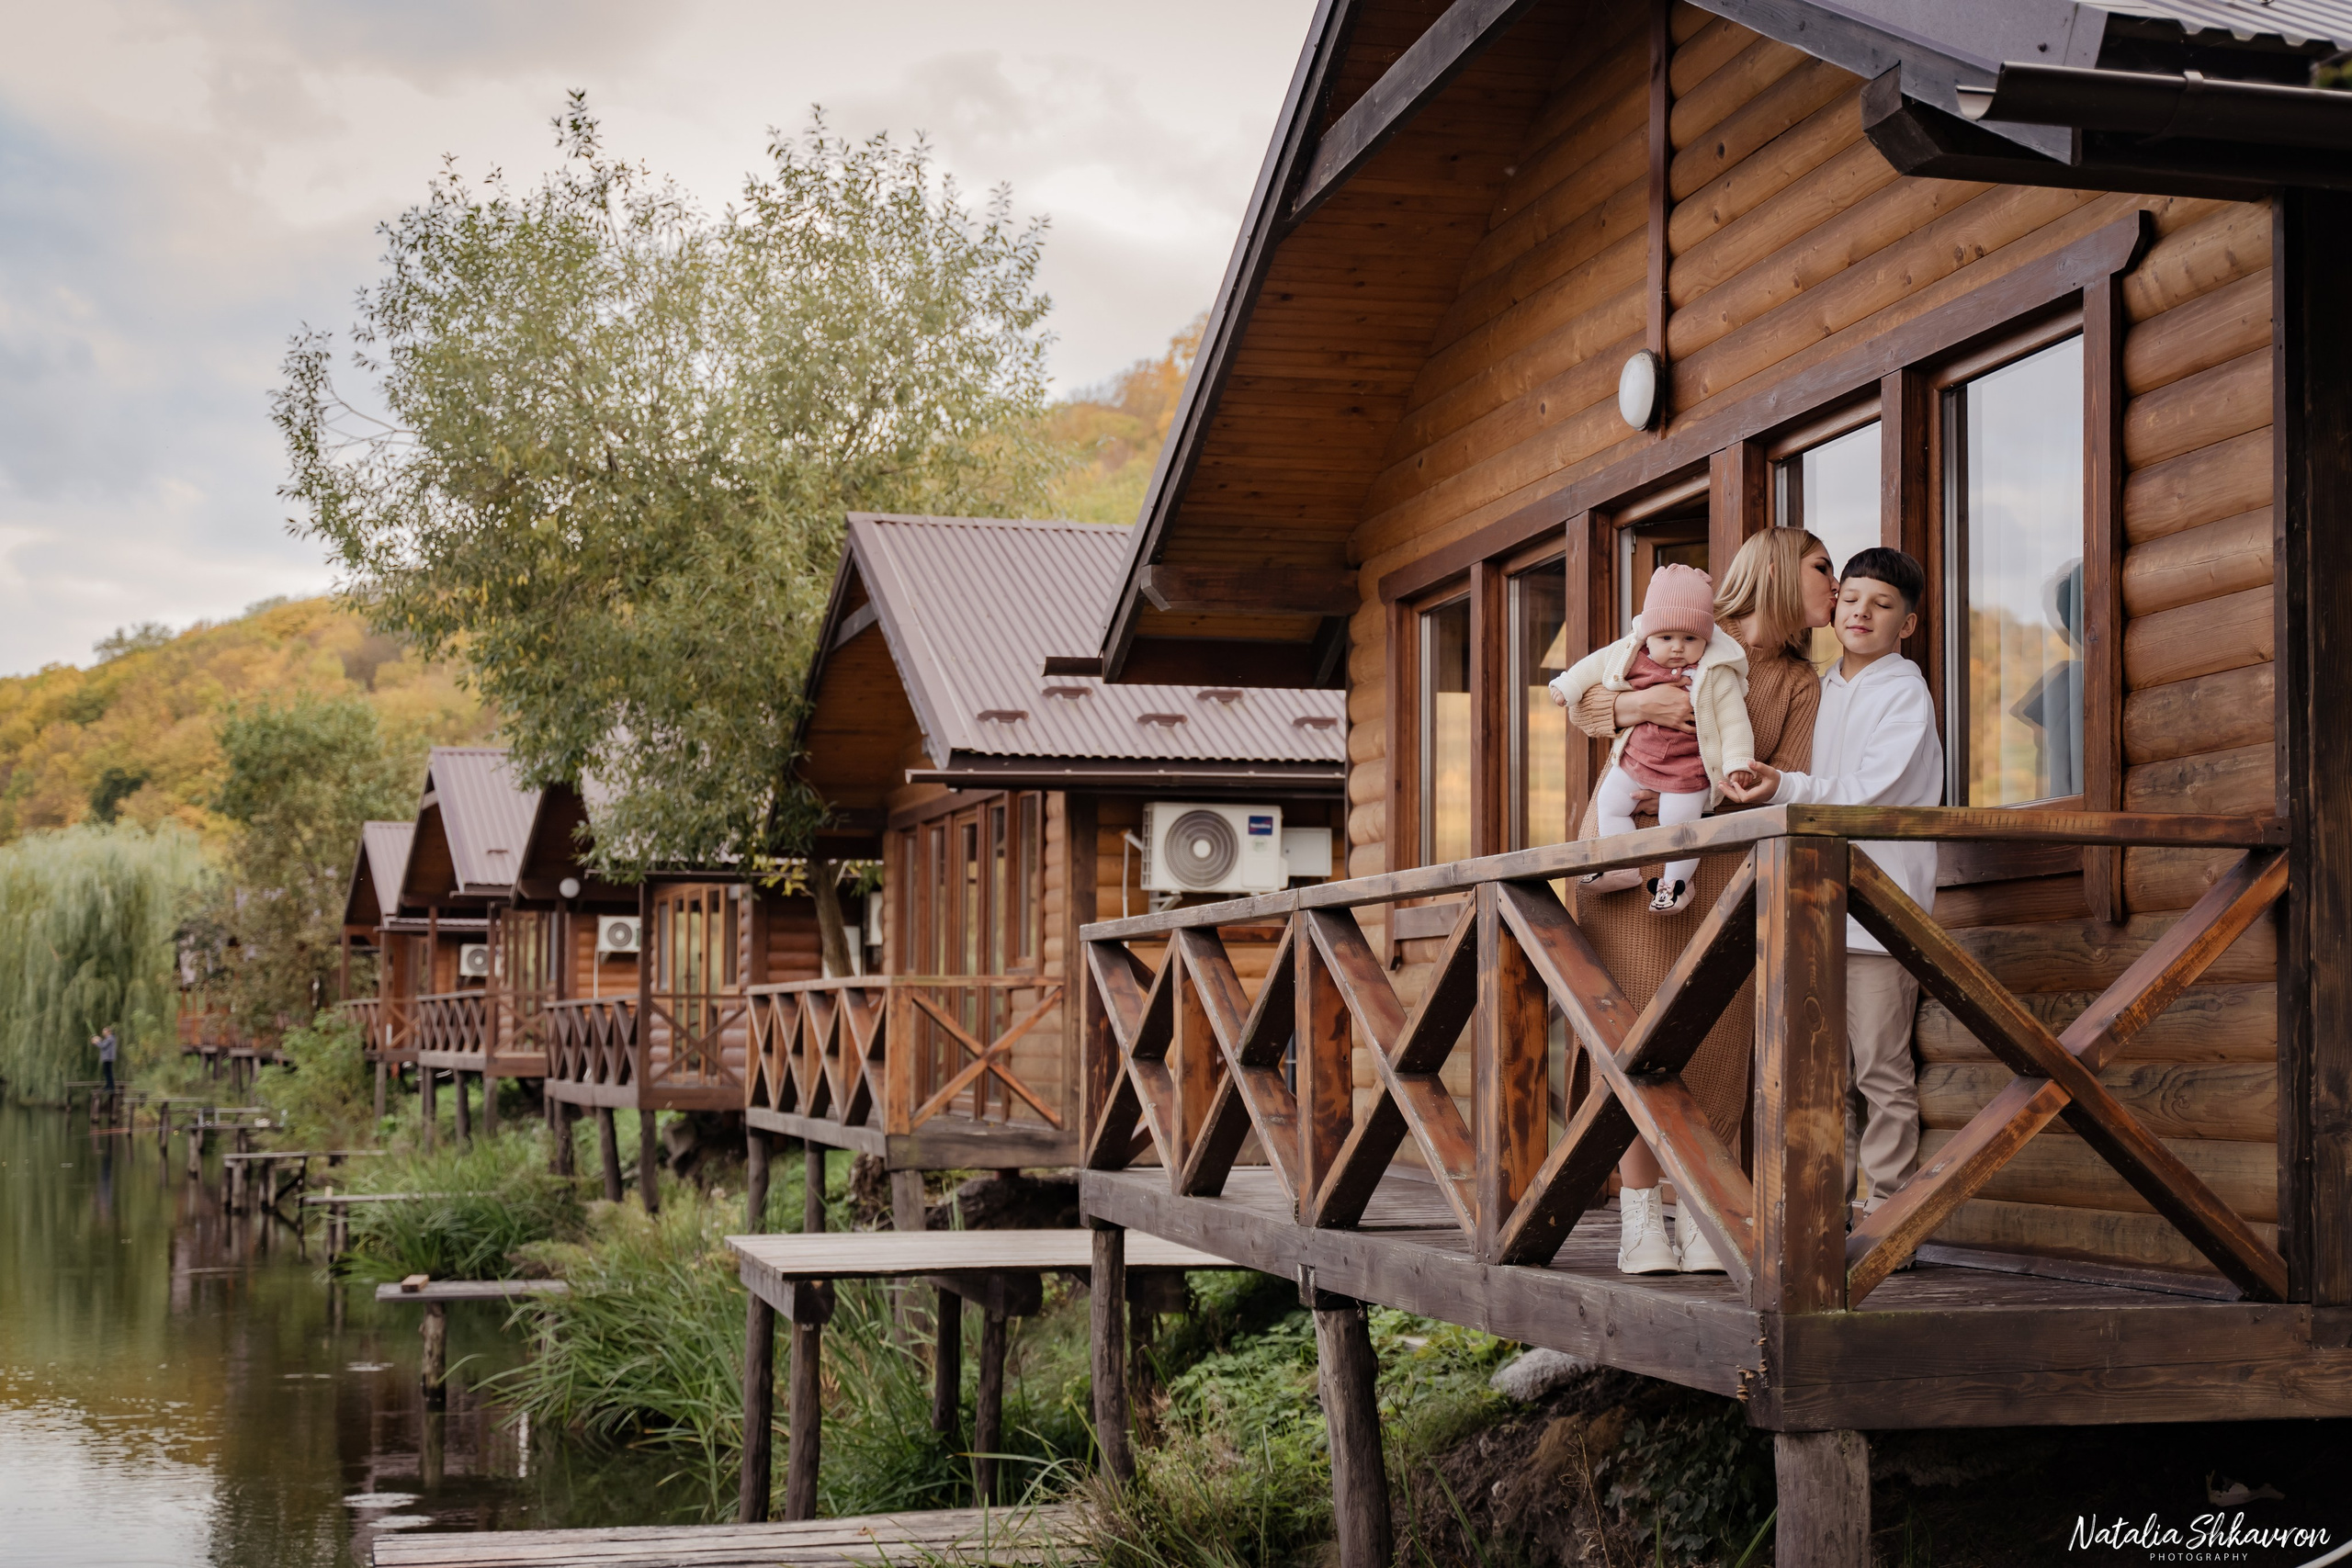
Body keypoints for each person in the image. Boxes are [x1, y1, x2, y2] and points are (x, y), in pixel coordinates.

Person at [1567, 528, 1838, 1274]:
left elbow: (1790, 777)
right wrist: (1636, 704)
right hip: (1621, 862)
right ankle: (1639, 1222)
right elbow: (1583, 699)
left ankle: (1699, 1209)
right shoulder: (1677, 630)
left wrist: (1735, 793)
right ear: (1781, 570)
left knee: (1713, 1040)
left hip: (1716, 872)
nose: (1837, 584)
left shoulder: (1799, 682)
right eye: (1824, 567)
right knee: (1629, 1035)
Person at [1720, 547, 1943, 1218]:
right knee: (1825, 1073)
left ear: (1906, 624)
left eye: (1882, 606)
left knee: (1880, 1070)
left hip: (1881, 913)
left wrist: (1782, 786)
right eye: (1851, 599)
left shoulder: (1906, 694)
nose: (1861, 614)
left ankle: (1888, 1215)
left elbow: (1866, 795)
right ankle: (1829, 1212)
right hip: (1817, 909)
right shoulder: (1821, 686)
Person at [1548, 563, 1757, 916]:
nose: (1677, 648)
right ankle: (1621, 863)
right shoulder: (1632, 654)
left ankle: (1675, 883)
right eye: (1666, 638)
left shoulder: (1715, 673)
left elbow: (1735, 722)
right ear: (1648, 634)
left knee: (1679, 826)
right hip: (1636, 760)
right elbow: (1594, 665)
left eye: (1690, 639)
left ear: (1706, 639)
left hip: (1685, 772)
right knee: (1610, 803)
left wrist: (1737, 763)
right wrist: (1567, 686)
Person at [93, 1024, 119, 1093]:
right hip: (107, 1058)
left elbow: (103, 1046)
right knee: (106, 1072)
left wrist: (97, 1042)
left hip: (108, 1058)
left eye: (104, 1032)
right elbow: (103, 1044)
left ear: (108, 1032)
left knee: (108, 1073)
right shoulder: (109, 1038)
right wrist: (99, 1040)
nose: (103, 1033)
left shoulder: (110, 1038)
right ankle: (108, 1085)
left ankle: (111, 1087)